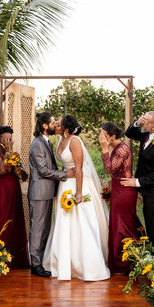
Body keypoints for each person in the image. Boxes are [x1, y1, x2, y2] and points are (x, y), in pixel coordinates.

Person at [44, 115, 109, 281]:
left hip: (77, 184)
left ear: (66, 129)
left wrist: (79, 193)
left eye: (58, 124)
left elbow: (79, 169)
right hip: (65, 184)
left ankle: (88, 266)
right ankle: (64, 262)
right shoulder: (60, 141)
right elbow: (64, 165)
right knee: (64, 221)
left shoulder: (75, 141)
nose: (55, 126)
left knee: (81, 222)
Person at [122, 111, 154, 274]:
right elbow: (129, 133)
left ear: (153, 126)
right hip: (149, 192)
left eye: (145, 121)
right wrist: (137, 123)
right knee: (152, 231)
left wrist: (137, 182)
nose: (142, 122)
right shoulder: (147, 134)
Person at [27, 112, 71, 277]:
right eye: (53, 123)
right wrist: (65, 175)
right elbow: (43, 170)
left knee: (44, 229)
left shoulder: (46, 142)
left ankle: (42, 260)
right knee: (37, 229)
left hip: (46, 192)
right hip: (39, 193)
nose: (55, 125)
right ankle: (35, 265)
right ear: (44, 126)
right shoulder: (38, 144)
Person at [100, 122, 140, 274]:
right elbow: (112, 173)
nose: (101, 137)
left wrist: (104, 149)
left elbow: (109, 168)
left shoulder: (122, 148)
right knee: (116, 225)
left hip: (125, 191)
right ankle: (119, 262)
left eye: (104, 134)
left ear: (112, 136)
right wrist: (109, 189)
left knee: (124, 226)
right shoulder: (112, 147)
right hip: (117, 189)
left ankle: (126, 263)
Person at [0, 125, 29, 267]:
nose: (10, 141)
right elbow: (1, 170)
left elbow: (24, 176)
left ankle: (15, 261)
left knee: (14, 223)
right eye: (6, 139)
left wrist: (21, 170)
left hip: (14, 191)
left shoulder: (15, 155)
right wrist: (7, 153)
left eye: (10, 138)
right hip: (0, 192)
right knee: (1, 223)